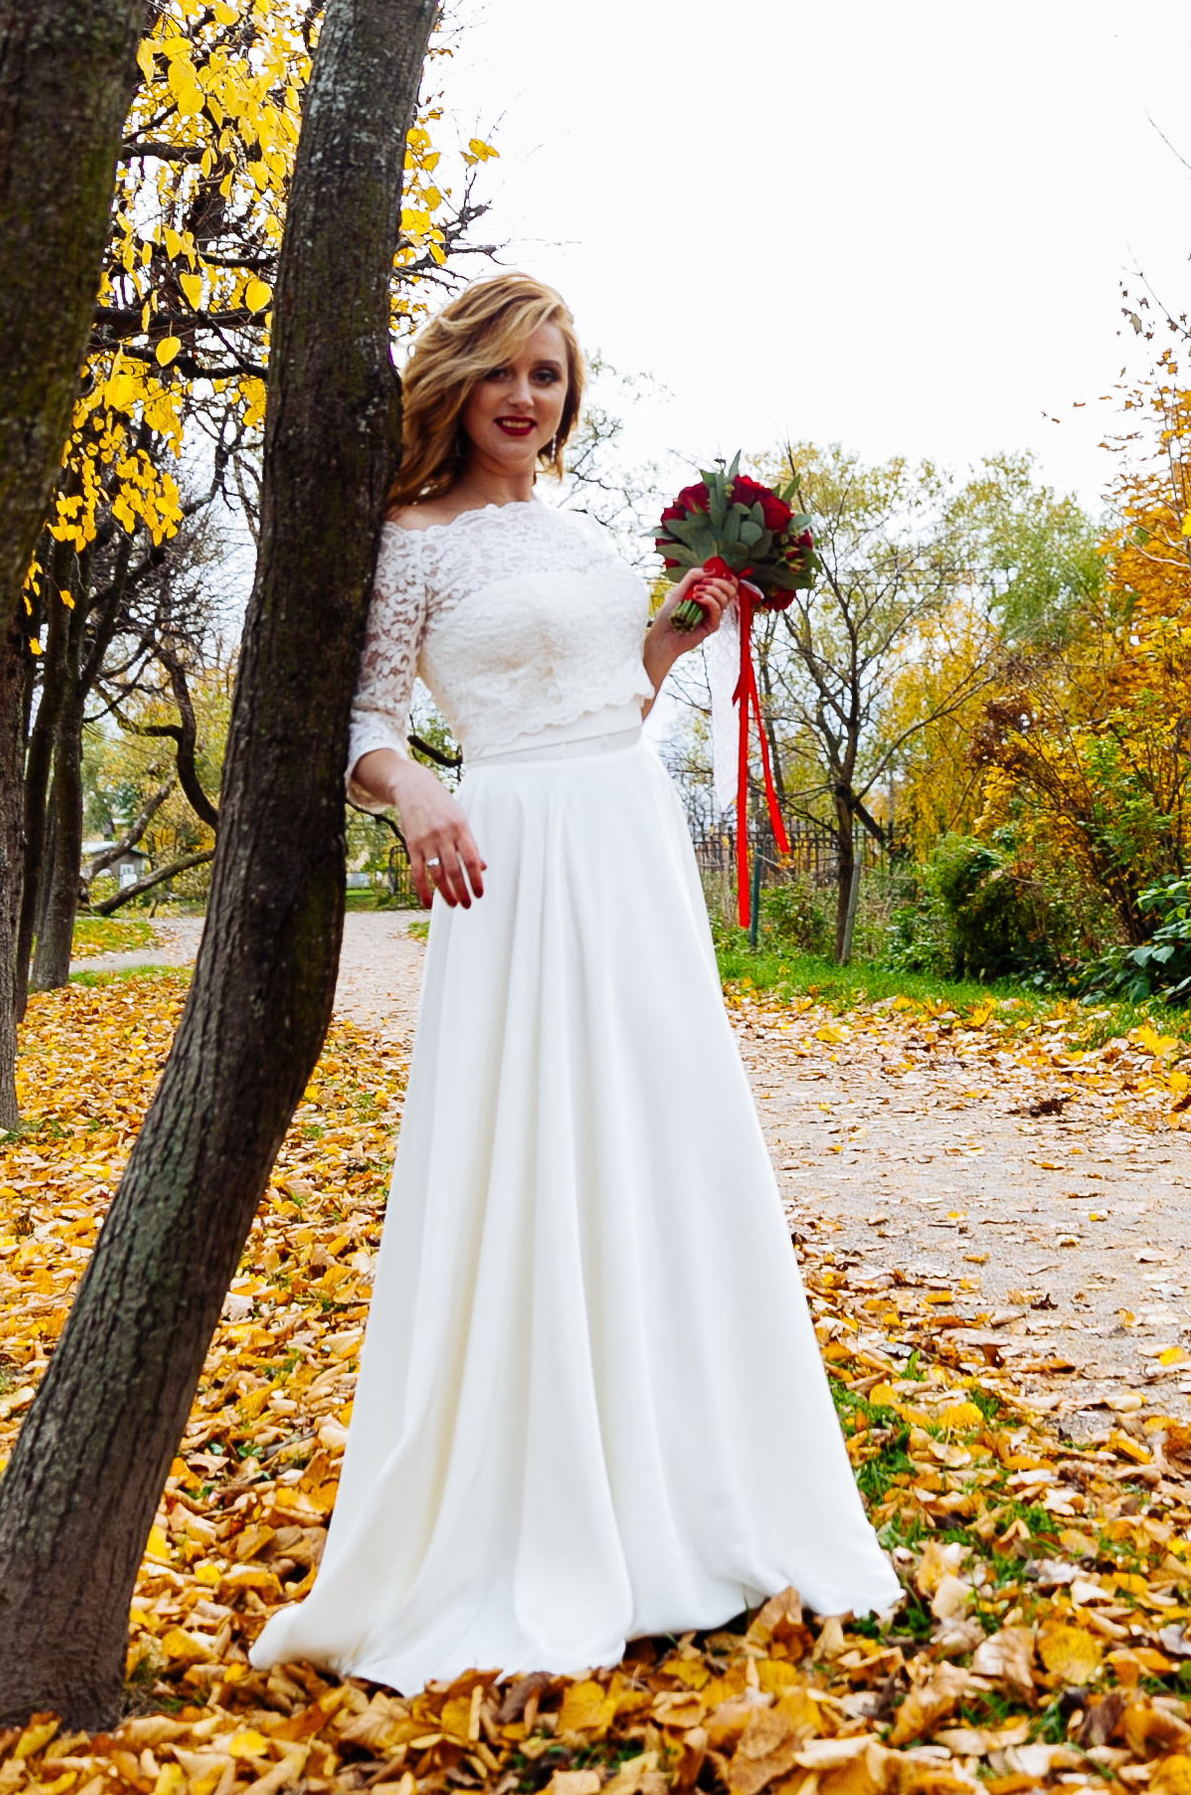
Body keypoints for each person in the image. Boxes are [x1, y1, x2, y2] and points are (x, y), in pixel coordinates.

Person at [249, 270, 899, 1690]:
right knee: (534, 1150)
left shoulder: (584, 532)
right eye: (502, 370)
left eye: (547, 374)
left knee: (658, 1142)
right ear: (458, 382)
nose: (525, 396)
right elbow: (361, 721)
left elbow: (618, 702)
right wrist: (418, 794)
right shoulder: (409, 542)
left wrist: (669, 640)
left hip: (627, 842)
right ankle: (537, 1503)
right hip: (515, 854)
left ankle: (687, 1488)